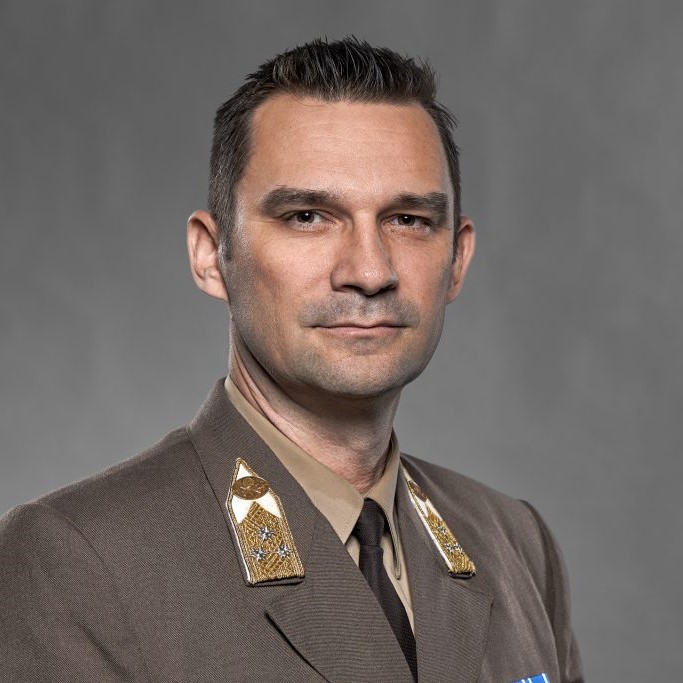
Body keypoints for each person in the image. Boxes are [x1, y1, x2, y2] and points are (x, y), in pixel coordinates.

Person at [0, 38, 583, 682]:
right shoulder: (76, 561)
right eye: (308, 216)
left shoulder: (513, 542)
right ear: (211, 255)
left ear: (457, 260)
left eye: (409, 219)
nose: (370, 271)